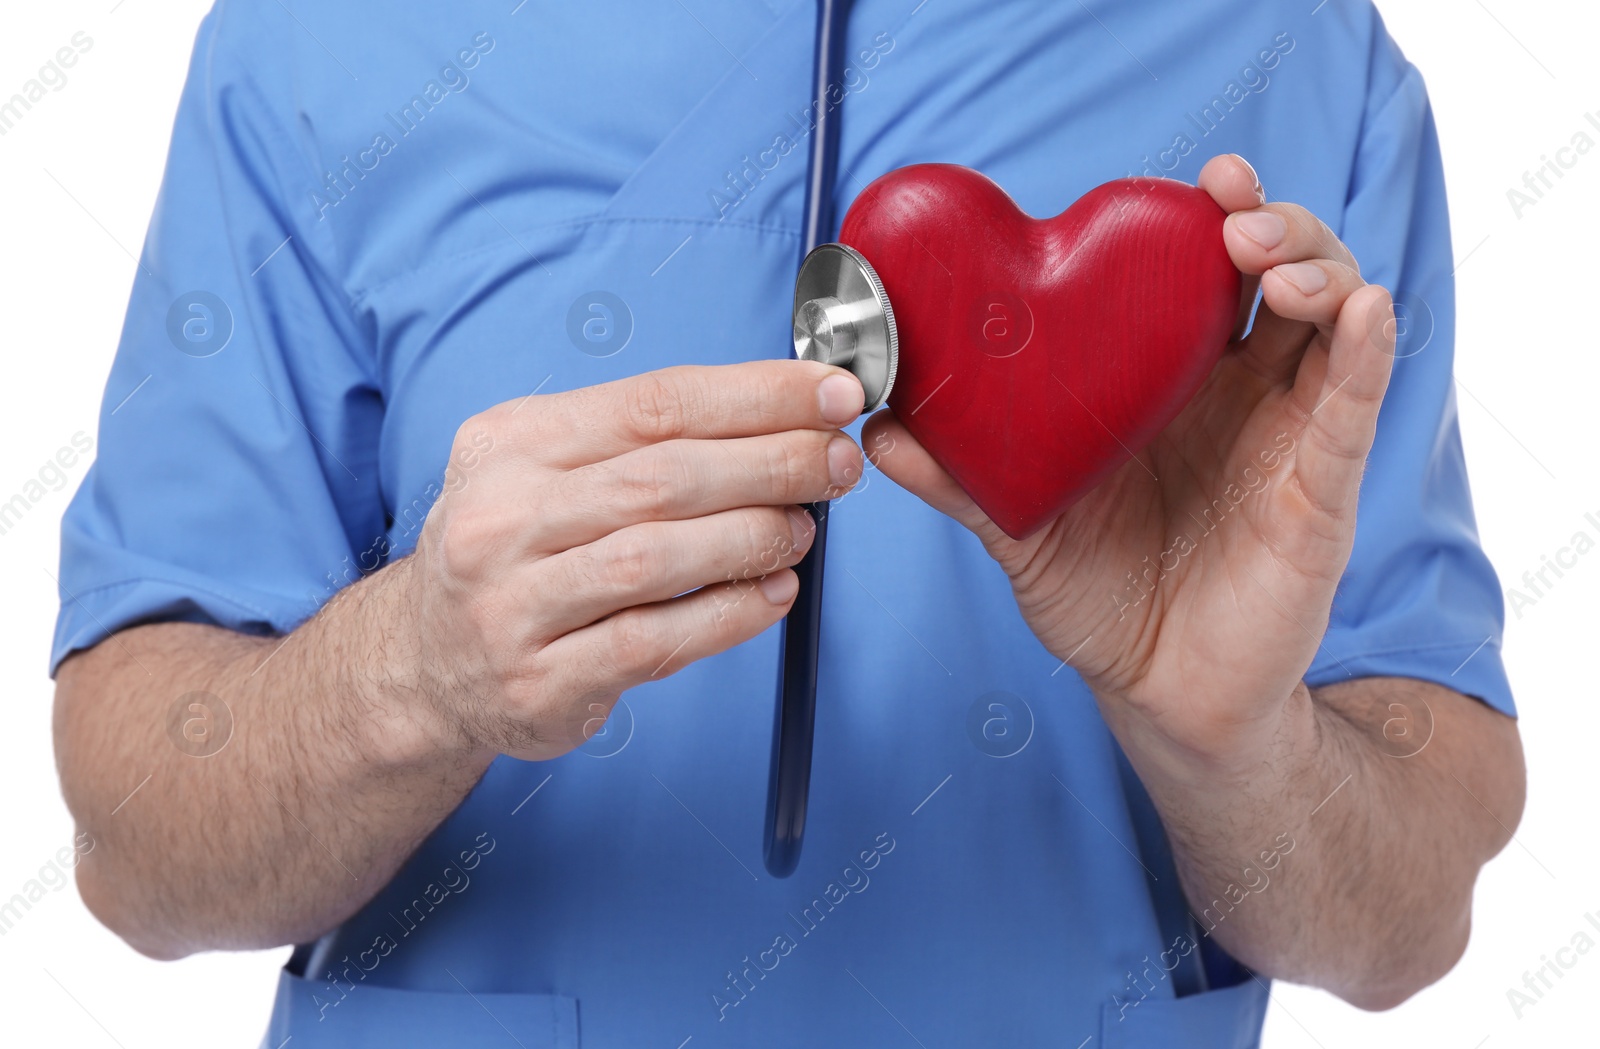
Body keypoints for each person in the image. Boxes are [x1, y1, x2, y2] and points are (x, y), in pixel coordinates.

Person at [50, 1, 1525, 1046]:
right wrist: (409, 676)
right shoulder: (319, 35)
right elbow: (134, 848)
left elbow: (1408, 918)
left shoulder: (1302, 55)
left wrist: (1241, 745)